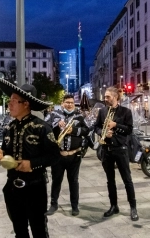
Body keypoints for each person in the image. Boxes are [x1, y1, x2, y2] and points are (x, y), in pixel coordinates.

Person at [0, 78, 60, 238]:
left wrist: (33, 164)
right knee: (20, 233)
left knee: (40, 236)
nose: (9, 104)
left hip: (35, 188)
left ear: (26, 104)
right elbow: (9, 151)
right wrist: (1, 155)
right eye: (10, 100)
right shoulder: (9, 127)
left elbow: (54, 156)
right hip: (12, 188)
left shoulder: (43, 128)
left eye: (13, 101)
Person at [94, 86, 139, 221]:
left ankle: (133, 207)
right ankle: (114, 206)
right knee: (110, 181)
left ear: (115, 97)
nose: (105, 99)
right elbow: (96, 126)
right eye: (105, 96)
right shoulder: (102, 111)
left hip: (120, 149)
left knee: (127, 180)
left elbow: (129, 130)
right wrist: (102, 133)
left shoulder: (125, 112)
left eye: (108, 96)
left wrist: (115, 126)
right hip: (107, 150)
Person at [46, 94, 90, 216]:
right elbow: (45, 128)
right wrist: (56, 125)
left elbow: (87, 131)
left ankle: (74, 206)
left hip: (74, 155)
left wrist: (74, 131)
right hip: (58, 155)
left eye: (71, 102)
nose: (69, 104)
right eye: (67, 102)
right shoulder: (54, 114)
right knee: (56, 181)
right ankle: (53, 204)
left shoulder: (80, 116)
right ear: (62, 103)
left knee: (73, 181)